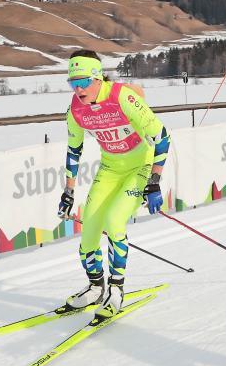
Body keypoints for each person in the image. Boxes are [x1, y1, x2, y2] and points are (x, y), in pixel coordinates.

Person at [58, 50, 171, 317]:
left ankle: (117, 289)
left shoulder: (122, 97)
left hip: (138, 168)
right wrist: (68, 190)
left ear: (97, 77)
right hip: (110, 169)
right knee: (88, 233)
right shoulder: (75, 110)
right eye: (72, 83)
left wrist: (154, 181)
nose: (78, 89)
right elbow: (74, 150)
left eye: (84, 81)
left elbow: (162, 136)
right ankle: (96, 287)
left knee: (114, 221)